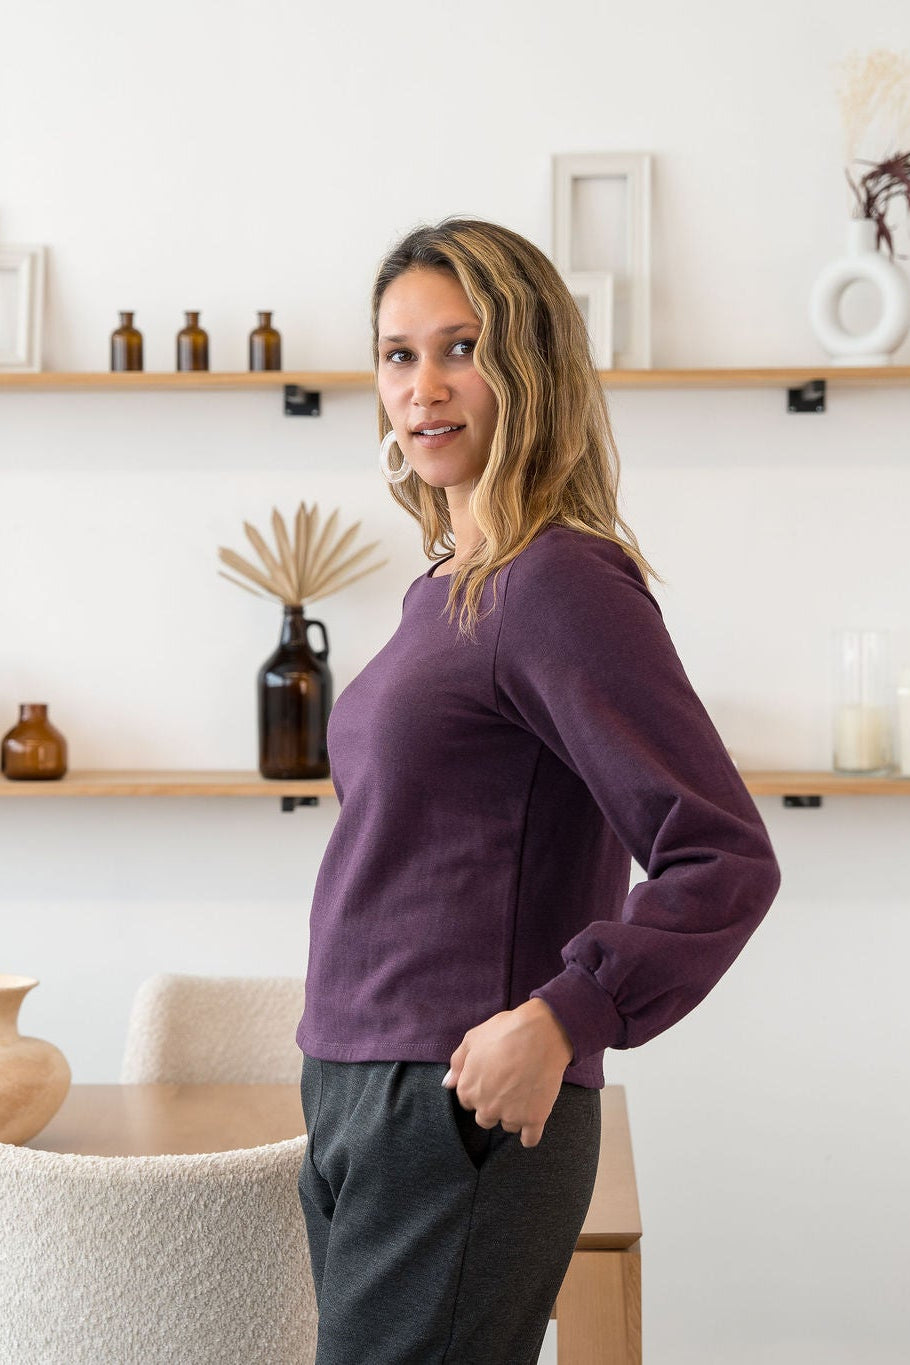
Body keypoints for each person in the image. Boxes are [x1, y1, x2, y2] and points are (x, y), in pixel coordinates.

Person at [295, 217, 781, 1364]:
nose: (422, 388)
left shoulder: (557, 579)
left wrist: (567, 1015)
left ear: (531, 363)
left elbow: (719, 853)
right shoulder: (448, 588)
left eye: (459, 347)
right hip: (357, 1086)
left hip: (458, 1101)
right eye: (397, 354)